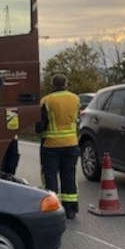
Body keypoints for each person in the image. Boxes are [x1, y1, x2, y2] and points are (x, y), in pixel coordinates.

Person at [35, 74, 81, 219]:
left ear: (53, 85)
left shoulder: (47, 100)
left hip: (51, 145)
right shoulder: (76, 99)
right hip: (71, 143)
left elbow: (41, 126)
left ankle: (53, 209)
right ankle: (71, 209)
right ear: (66, 84)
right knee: (69, 175)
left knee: (50, 176)